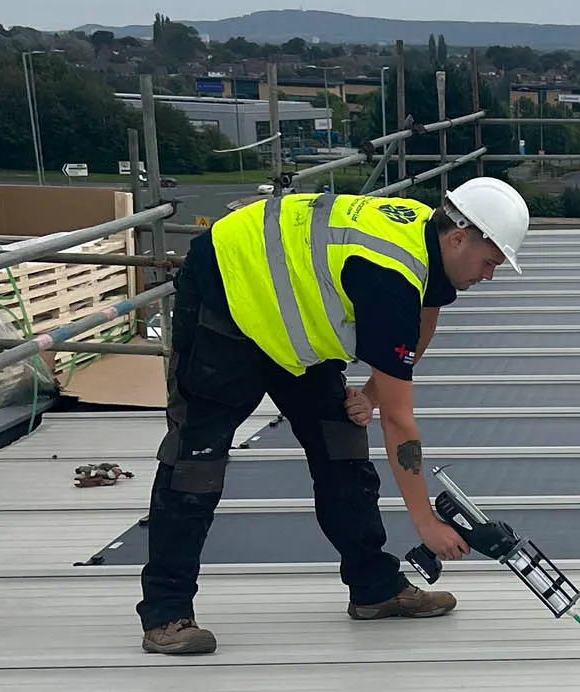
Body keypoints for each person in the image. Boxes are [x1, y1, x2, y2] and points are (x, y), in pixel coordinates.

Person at [135, 177, 530, 655]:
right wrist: (426, 523)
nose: (489, 275)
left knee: (342, 445)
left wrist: (370, 393)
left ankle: (375, 589)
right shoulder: (389, 274)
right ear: (459, 237)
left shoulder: (429, 245)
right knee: (196, 461)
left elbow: (421, 323)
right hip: (230, 294)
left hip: (291, 319)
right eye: (490, 262)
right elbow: (401, 425)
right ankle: (167, 612)